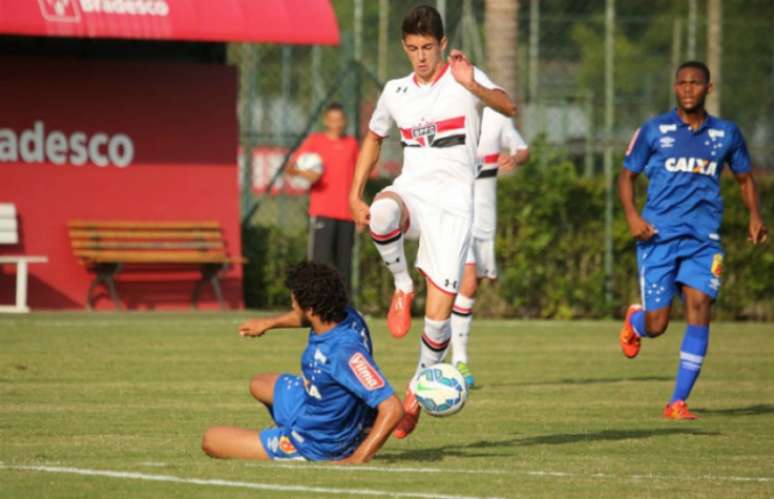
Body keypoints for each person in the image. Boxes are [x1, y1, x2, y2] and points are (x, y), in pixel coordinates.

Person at [349, 4, 516, 439]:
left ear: (442, 44)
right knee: (382, 213)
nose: (420, 57)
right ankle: (402, 285)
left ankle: (415, 394)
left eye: (427, 47)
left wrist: (472, 84)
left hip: (455, 207)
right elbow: (373, 137)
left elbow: (509, 106)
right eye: (412, 49)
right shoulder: (395, 91)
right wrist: (353, 194)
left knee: (438, 320)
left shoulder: (464, 78)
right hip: (413, 192)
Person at [618, 61, 767, 420]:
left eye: (695, 83)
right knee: (659, 325)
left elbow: (745, 179)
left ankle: (677, 402)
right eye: (682, 83)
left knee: (700, 306)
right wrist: (634, 217)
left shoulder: (726, 134)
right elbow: (627, 177)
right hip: (659, 237)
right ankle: (636, 322)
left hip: (704, 239)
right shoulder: (654, 130)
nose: (688, 89)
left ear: (708, 88)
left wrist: (755, 216)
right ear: (675, 88)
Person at [201, 262, 403, 462]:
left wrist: (356, 459)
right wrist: (269, 323)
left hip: (320, 442)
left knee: (211, 439)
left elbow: (392, 408)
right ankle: (303, 423)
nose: (292, 304)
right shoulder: (347, 316)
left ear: (311, 308)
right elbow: (305, 317)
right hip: (319, 404)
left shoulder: (343, 352)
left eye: (295, 301)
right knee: (259, 383)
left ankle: (295, 442)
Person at [450, 108, 529, 388]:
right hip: (454, 213)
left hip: (484, 220)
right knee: (467, 283)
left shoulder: (496, 118)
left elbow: (523, 149)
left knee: (469, 287)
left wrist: (515, 157)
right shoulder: (449, 114)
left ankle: (444, 353)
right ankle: (458, 361)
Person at [288, 103, 359, 295]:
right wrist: (305, 173)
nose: (336, 124)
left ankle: (345, 310)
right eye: (332, 120)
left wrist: (359, 209)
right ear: (326, 121)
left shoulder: (352, 144)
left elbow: (358, 178)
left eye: (340, 120)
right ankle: (315, 305)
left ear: (344, 121)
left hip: (347, 214)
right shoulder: (315, 142)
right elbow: (290, 168)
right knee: (319, 265)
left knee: (344, 267)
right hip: (322, 213)